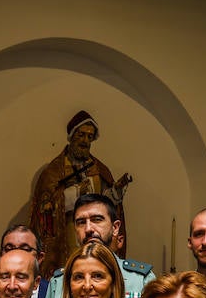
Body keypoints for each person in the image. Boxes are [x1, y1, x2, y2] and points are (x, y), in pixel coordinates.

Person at [29, 111, 131, 278]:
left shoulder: (99, 169)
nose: (85, 141)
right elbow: (46, 207)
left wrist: (115, 195)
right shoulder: (53, 172)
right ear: (72, 136)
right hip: (67, 236)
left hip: (95, 236)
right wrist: (76, 193)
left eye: (89, 137)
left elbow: (108, 206)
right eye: (81, 135)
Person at [40, 194, 153, 298]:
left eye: (97, 220)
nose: (88, 229)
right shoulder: (59, 282)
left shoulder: (140, 279)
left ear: (115, 228)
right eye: (81, 222)